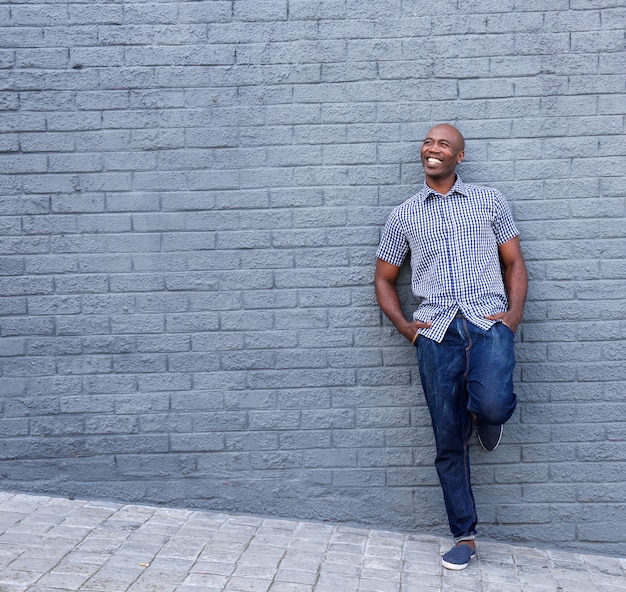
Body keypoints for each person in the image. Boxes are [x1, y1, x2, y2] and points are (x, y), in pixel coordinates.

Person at [374, 124, 528, 570]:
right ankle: (464, 535)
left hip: (487, 322)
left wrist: (512, 317)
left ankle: (487, 417)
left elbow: (514, 261)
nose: (432, 148)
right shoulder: (404, 215)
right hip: (436, 332)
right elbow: (384, 279)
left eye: (443, 143)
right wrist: (408, 328)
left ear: (459, 156)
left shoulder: (489, 200)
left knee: (495, 403)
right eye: (428, 142)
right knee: (447, 439)